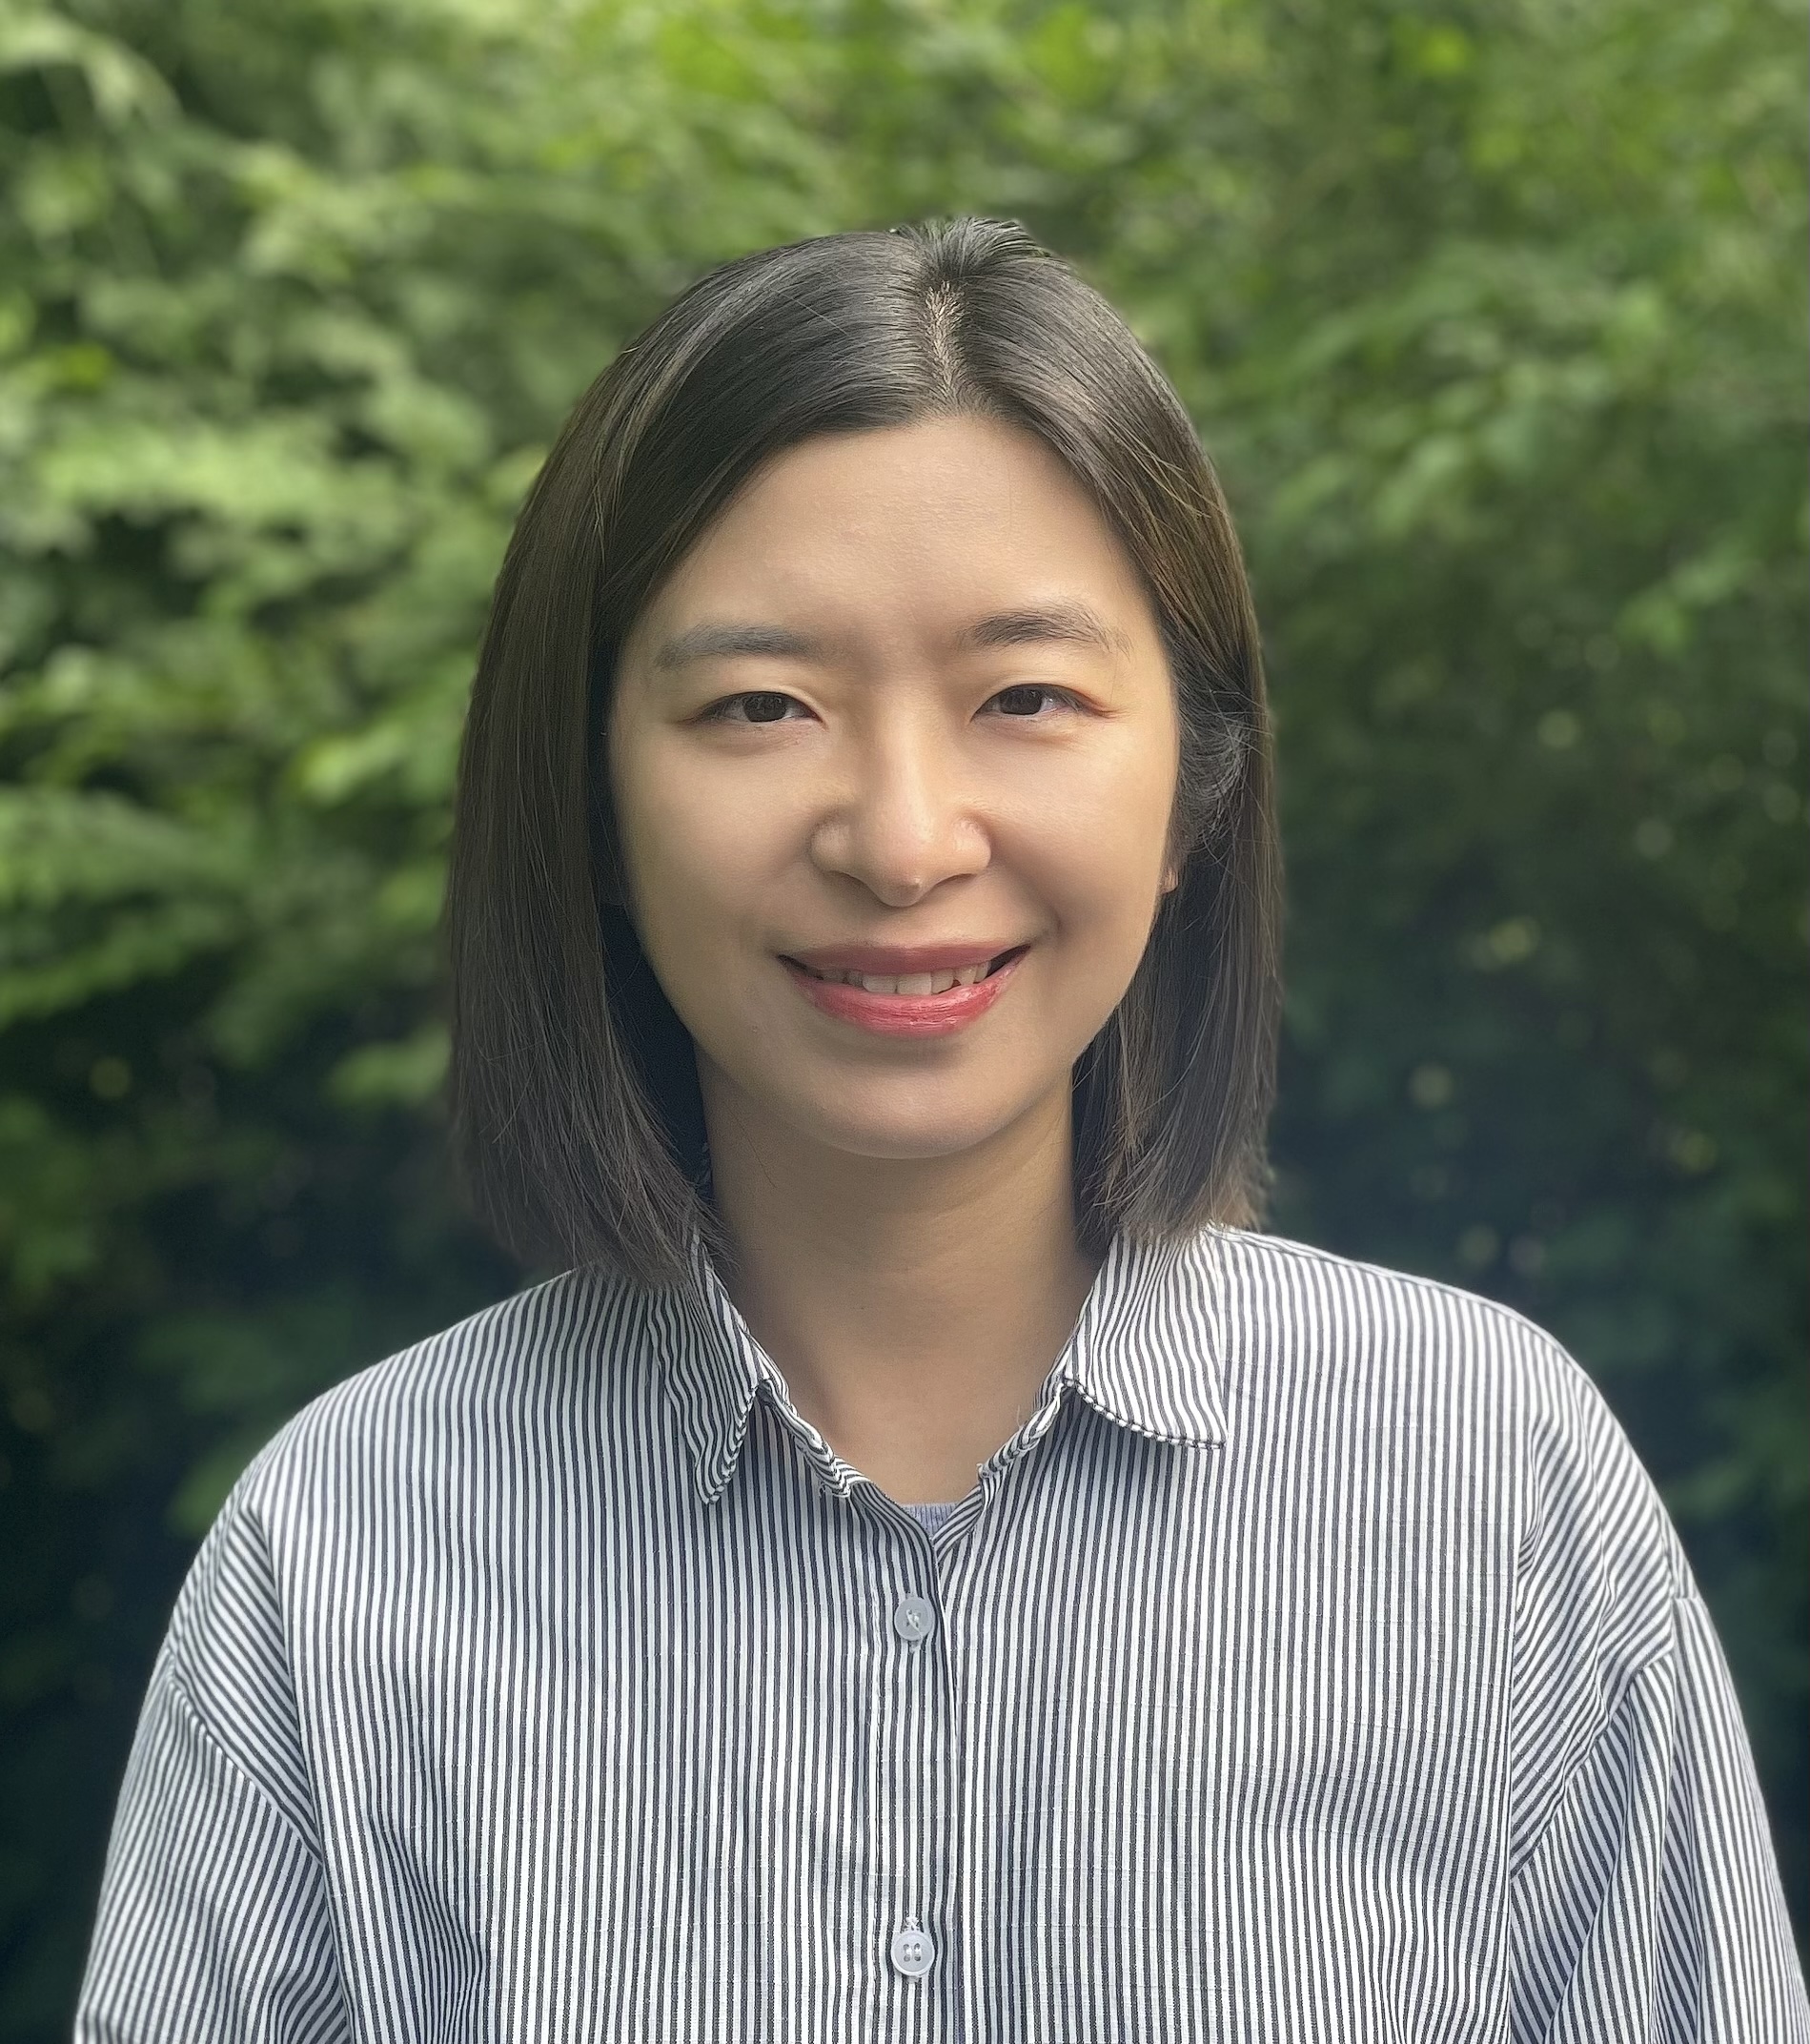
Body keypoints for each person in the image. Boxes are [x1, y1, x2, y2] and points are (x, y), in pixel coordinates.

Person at [76, 218, 1805, 2040]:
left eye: (1027, 698)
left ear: (1196, 783)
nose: (903, 839)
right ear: (586, 791)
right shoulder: (345, 1554)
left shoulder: (1493, 1490)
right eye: (762, 705)